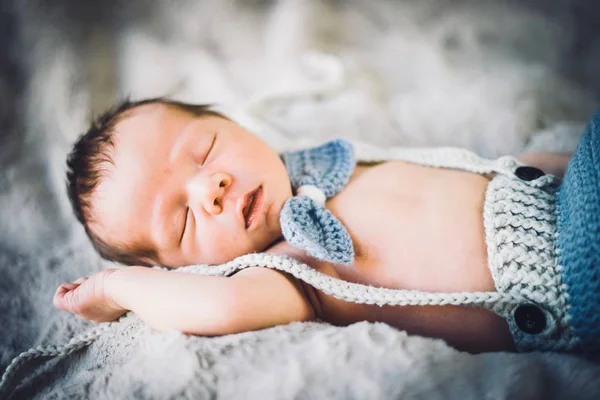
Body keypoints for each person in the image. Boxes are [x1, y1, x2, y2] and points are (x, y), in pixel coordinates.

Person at [54, 97, 599, 355]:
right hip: (562, 287)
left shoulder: (322, 164)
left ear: (232, 123)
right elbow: (221, 309)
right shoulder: (283, 272)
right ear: (181, 269)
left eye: (205, 150)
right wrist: (115, 287)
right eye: (183, 219)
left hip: (554, 188)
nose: (210, 189)